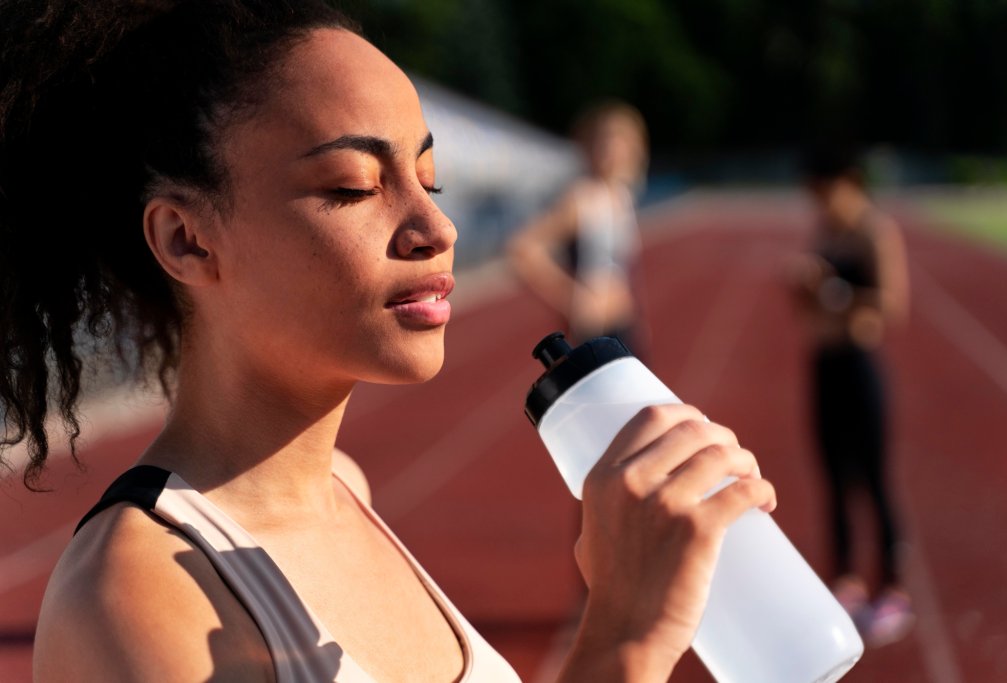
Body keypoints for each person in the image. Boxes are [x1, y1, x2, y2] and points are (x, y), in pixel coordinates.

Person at [0, 2, 776, 680]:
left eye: (428, 179)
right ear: (187, 239)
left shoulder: (347, 490)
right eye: (352, 187)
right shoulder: (132, 594)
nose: (437, 228)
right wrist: (623, 643)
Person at [787, 146, 914, 647]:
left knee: (875, 479)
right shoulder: (827, 231)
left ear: (850, 182)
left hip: (861, 366)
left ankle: (894, 588)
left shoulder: (874, 232)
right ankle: (844, 581)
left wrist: (834, 291)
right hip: (824, 364)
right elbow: (809, 307)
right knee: (833, 479)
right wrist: (804, 289)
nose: (819, 202)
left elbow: (892, 304)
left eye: (825, 192)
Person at [507, 101, 648, 355]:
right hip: (592, 329)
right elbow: (522, 249)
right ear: (588, 146)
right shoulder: (578, 199)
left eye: (621, 141)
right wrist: (570, 297)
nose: (613, 150)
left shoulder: (622, 194)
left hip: (624, 322)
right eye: (604, 141)